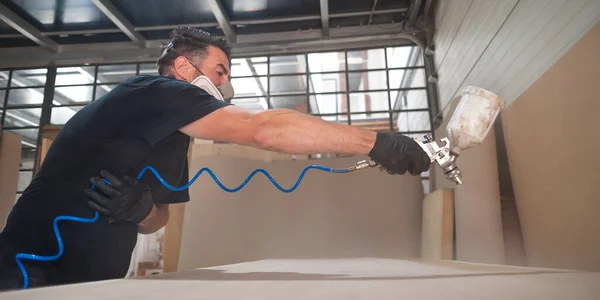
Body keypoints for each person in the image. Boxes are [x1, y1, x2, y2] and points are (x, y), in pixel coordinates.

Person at [0, 26, 430, 290]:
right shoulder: (153, 92)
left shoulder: (174, 137)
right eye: (220, 72)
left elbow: (161, 218)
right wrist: (376, 143)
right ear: (186, 69)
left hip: (97, 284)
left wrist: (141, 208)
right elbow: (263, 129)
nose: (226, 88)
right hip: (29, 271)